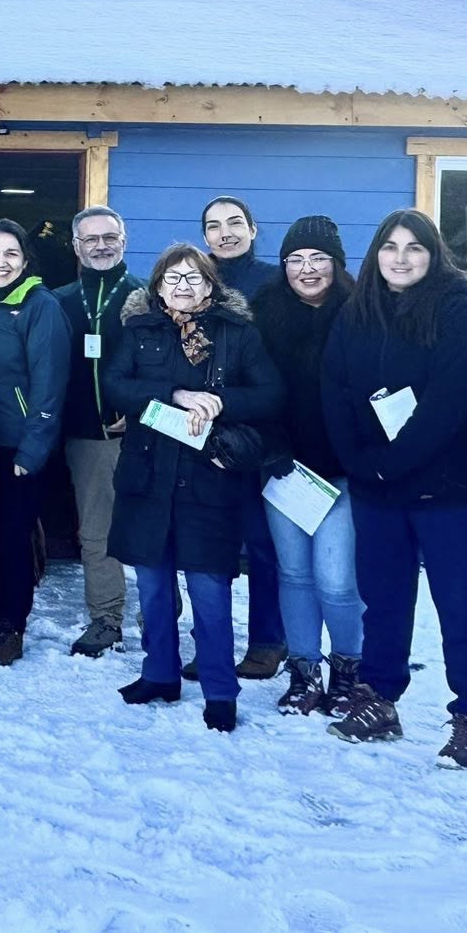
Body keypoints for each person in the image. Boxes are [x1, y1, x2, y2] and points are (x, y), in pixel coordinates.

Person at [321, 210, 467, 771]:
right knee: (384, 600)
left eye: (414, 247)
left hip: (450, 488)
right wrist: (360, 463)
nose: (401, 258)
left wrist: (391, 463)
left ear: (433, 254)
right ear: (376, 254)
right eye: (390, 247)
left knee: (462, 605)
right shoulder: (357, 312)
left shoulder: (456, 310)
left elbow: (451, 399)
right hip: (377, 487)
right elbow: (335, 388)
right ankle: (379, 697)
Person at [105, 244, 285, 734]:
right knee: (153, 586)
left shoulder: (237, 332)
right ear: (158, 286)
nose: (182, 287)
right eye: (173, 278)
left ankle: (220, 691)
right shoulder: (139, 330)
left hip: (209, 478)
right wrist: (173, 394)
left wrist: (218, 401)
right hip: (147, 477)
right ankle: (159, 673)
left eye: (193, 278)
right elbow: (114, 384)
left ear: (210, 285)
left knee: (209, 589)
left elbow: (271, 394)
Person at [250, 216, 363, 716]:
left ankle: (348, 669)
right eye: (295, 259)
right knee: (294, 574)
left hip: (344, 471)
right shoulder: (264, 314)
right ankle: (303, 670)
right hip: (285, 469)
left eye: (318, 257)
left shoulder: (361, 313)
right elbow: (252, 389)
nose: (307, 268)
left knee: (336, 579)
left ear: (336, 263)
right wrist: (271, 447)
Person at [0, 220, 69, 667]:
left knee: (11, 541)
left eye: (10, 254)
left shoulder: (40, 307)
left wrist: (33, 450)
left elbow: (49, 386)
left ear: (25, 261)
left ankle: (11, 629)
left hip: (17, 447)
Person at [198, 195, 286, 680]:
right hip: (203, 432)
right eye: (214, 226)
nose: (225, 233)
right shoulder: (193, 279)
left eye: (235, 223)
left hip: (258, 432)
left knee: (262, 542)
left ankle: (267, 641)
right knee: (209, 545)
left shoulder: (273, 282)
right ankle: (211, 643)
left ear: (252, 229)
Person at [52, 206, 146, 658]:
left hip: (142, 435)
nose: (101, 246)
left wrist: (139, 410)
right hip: (84, 437)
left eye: (110, 237)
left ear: (124, 240)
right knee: (96, 531)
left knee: (152, 526)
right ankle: (106, 617)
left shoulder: (148, 296)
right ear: (76, 246)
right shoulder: (59, 300)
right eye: (91, 239)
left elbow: (166, 365)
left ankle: (159, 611)